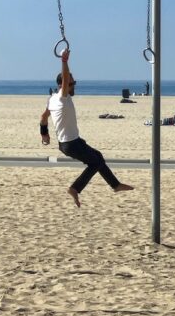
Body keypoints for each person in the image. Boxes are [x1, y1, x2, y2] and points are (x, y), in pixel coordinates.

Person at [40, 48, 134, 207]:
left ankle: (115, 185)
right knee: (95, 163)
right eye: (72, 82)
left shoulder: (52, 100)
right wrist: (64, 61)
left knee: (98, 156)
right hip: (72, 144)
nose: (74, 84)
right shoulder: (63, 98)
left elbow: (43, 118)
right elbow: (65, 78)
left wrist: (44, 134)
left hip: (67, 144)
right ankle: (75, 189)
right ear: (64, 85)